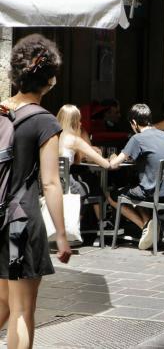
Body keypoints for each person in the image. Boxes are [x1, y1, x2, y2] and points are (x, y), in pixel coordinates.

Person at [0, 34, 71, 348]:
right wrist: (63, 234)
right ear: (50, 81)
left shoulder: (1, 112)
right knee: (22, 311)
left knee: (3, 302)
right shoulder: (45, 122)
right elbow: (51, 182)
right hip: (22, 223)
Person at [108, 104, 164, 250]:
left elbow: (114, 164)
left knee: (113, 195)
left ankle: (145, 226)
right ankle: (151, 226)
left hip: (151, 194)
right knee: (135, 187)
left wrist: (113, 156)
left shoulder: (137, 138)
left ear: (134, 123)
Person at [57, 105, 111, 224]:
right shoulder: (74, 139)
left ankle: (101, 222)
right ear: (75, 121)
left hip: (53, 182)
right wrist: (112, 158)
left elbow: (75, 160)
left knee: (90, 180)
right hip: (67, 185)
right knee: (89, 185)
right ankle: (96, 223)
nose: (81, 123)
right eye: (79, 120)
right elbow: (105, 164)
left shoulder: (53, 136)